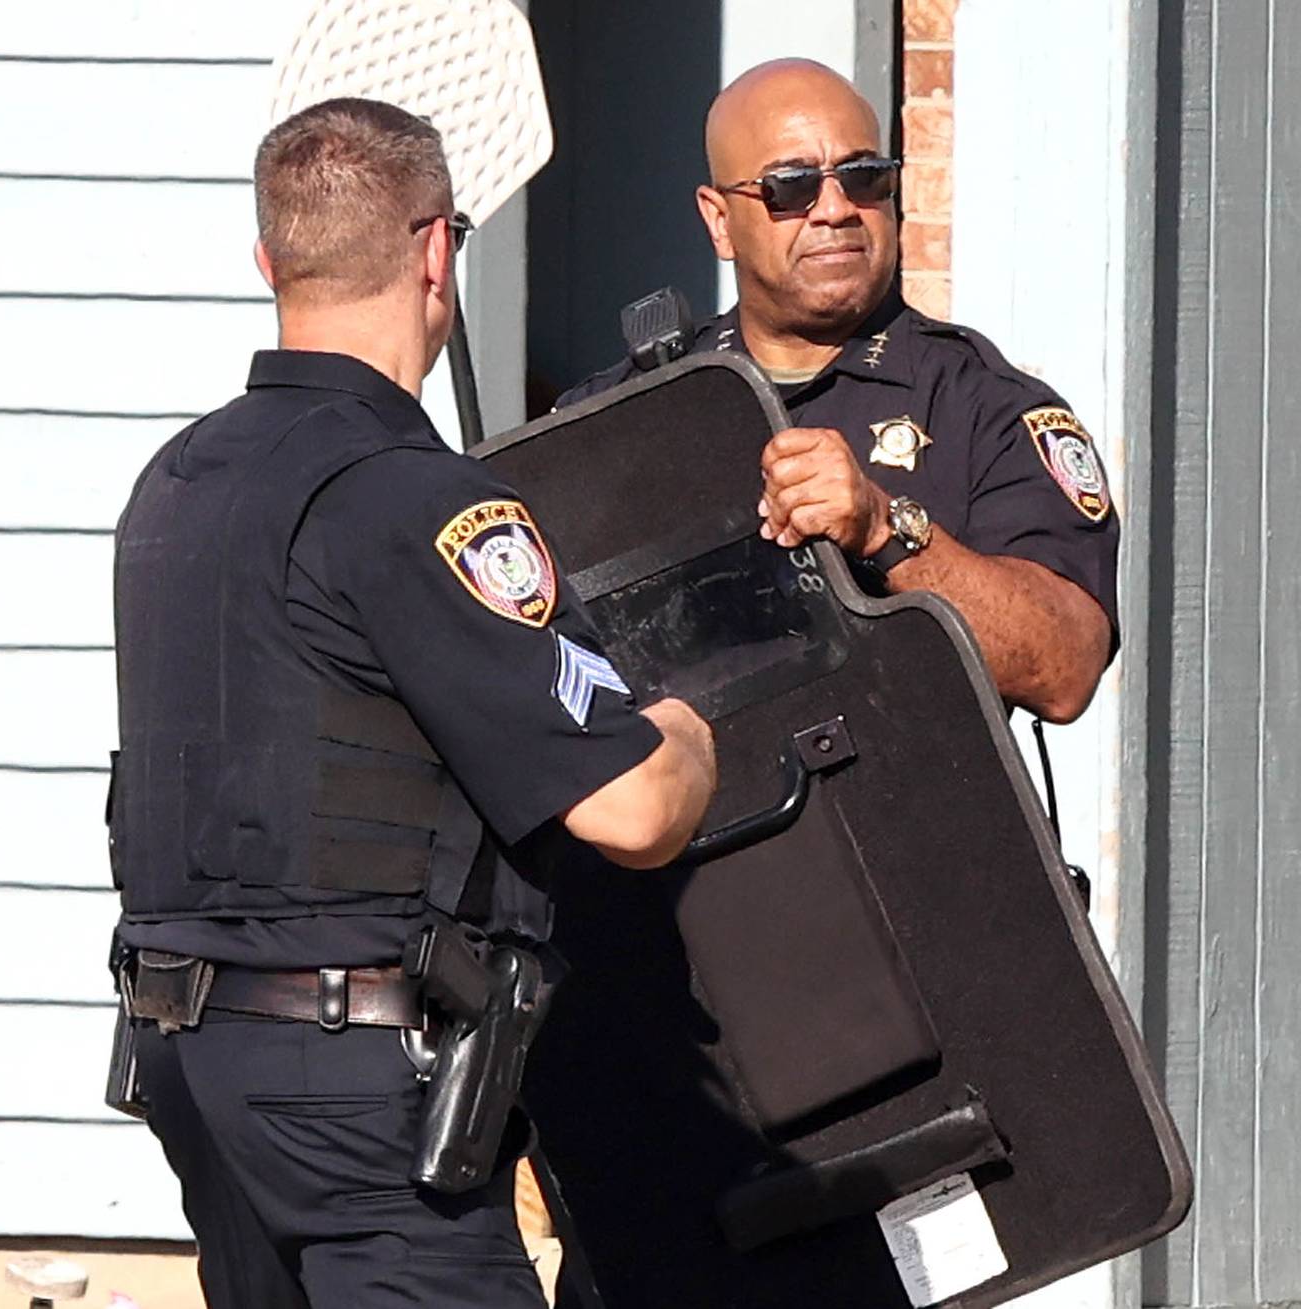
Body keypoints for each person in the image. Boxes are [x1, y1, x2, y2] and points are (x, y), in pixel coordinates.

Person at [107, 98, 716, 1309]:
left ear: (271, 262)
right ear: (437, 252)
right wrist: (688, 730)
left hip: (188, 1055)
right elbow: (635, 809)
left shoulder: (171, 484)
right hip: (358, 1091)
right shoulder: (416, 502)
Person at [559, 59, 1119, 724]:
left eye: (863, 178)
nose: (834, 210)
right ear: (718, 220)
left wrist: (887, 531)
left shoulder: (984, 405)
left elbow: (1065, 666)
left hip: (914, 818)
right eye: (789, 187)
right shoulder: (626, 412)